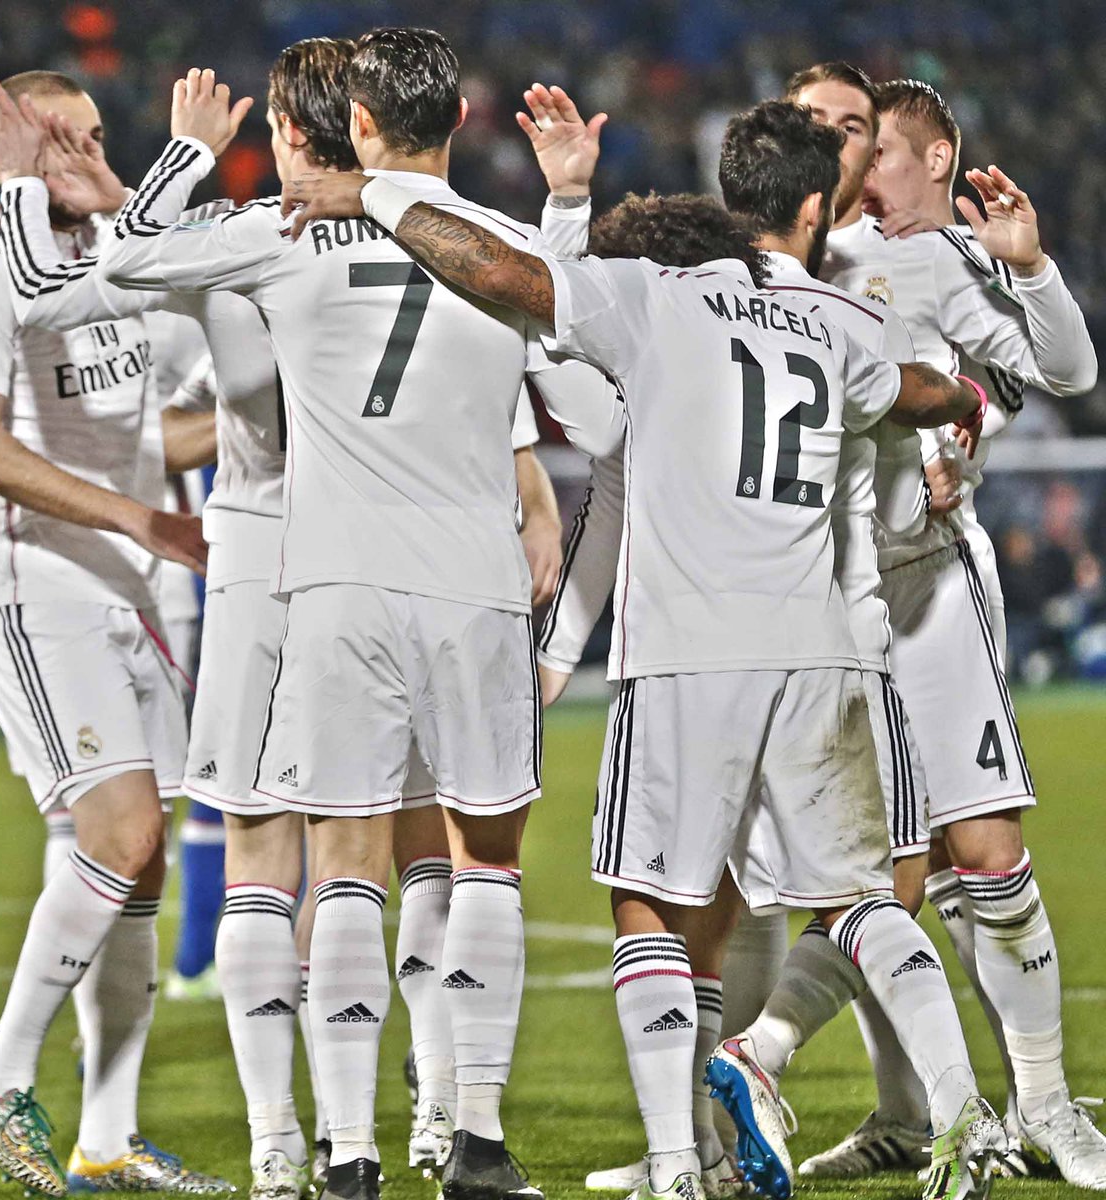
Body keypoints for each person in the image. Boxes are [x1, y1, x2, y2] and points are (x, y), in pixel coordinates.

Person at [281, 111, 1007, 1200]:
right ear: (817, 208)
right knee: (862, 901)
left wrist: (377, 194)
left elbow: (502, 273)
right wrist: (966, 400)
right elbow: (917, 388)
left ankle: (676, 1162)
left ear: (728, 195)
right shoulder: (844, 321)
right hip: (819, 652)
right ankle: (963, 1121)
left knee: (651, 909)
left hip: (685, 656)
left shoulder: (657, 299)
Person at [98, 29, 621, 1200]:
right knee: (482, 860)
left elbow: (127, 261)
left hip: (330, 583)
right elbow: (593, 391)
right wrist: (567, 209)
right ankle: (474, 1140)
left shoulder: (278, 236)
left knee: (340, 863)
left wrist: (187, 154)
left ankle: (345, 1155)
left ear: (360, 124)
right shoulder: (505, 242)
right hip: (474, 583)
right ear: (460, 121)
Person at [792, 68, 1106, 1189]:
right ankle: (901, 1111)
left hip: (926, 588)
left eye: (873, 143)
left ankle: (1049, 1107)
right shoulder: (792, 257)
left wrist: (1032, 265)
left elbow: (1067, 370)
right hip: (821, 597)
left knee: (984, 850)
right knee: (873, 874)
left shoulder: (946, 259)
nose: (856, 161)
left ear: (933, 160)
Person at [0, 67, 227, 1196]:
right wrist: (139, 515)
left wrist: (265, 420)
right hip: (37, 587)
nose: (92, 156)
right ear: (17, 147)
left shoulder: (113, 256)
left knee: (139, 867)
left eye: (101, 137)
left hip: (133, 591)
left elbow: (162, 424)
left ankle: (109, 1135)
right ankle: (1, 1076)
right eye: (68, 139)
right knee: (121, 829)